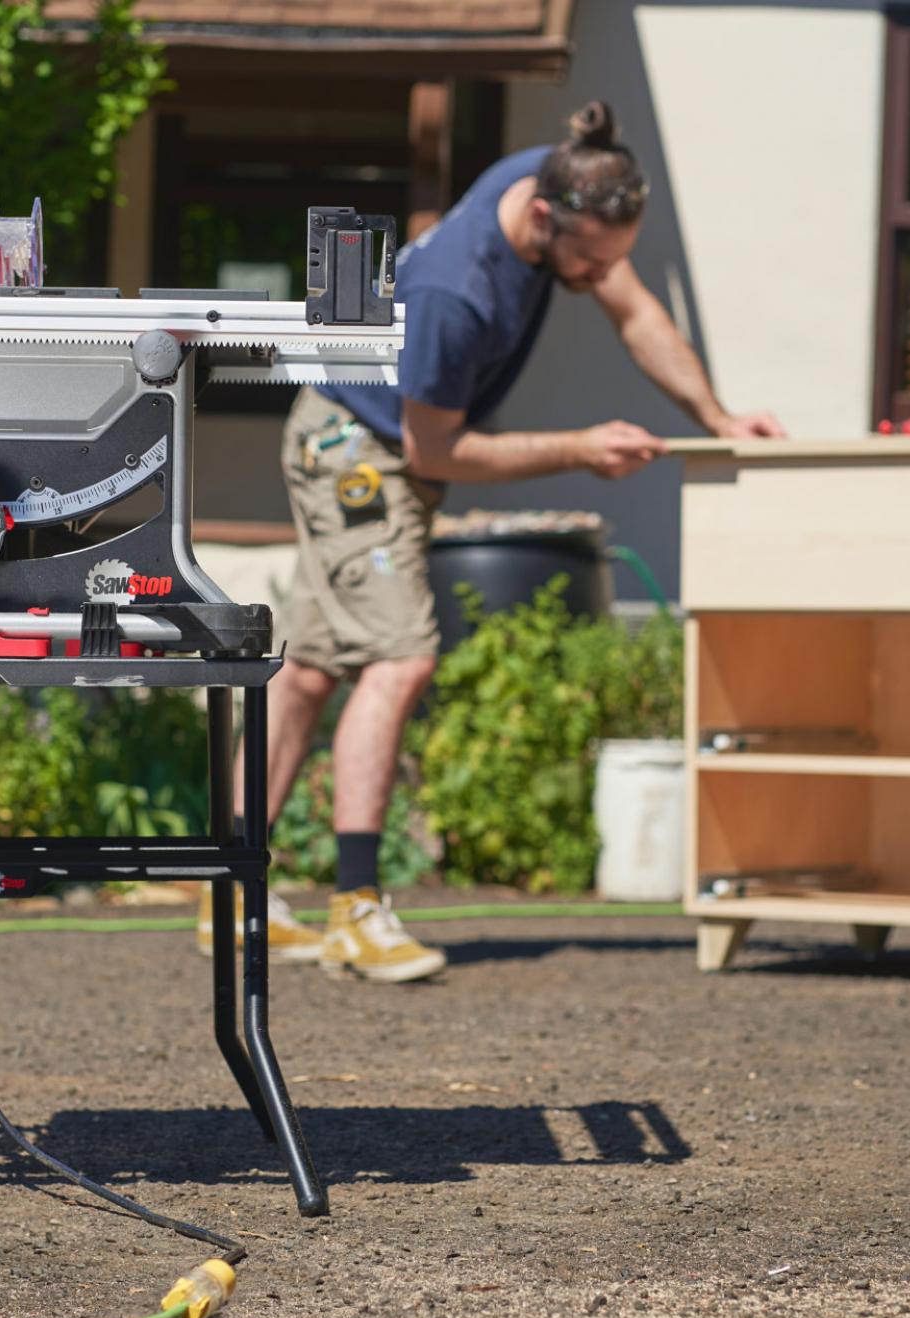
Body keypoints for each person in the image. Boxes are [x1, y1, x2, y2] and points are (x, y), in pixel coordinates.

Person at [198, 99, 786, 981]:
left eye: (613, 259)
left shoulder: (562, 180)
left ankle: (230, 894)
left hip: (375, 440)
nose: (597, 278)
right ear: (544, 218)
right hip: (358, 449)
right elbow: (439, 450)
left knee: (313, 669)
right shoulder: (456, 294)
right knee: (400, 660)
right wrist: (580, 449)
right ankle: (358, 910)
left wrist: (717, 415)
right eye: (587, 260)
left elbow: (638, 316)